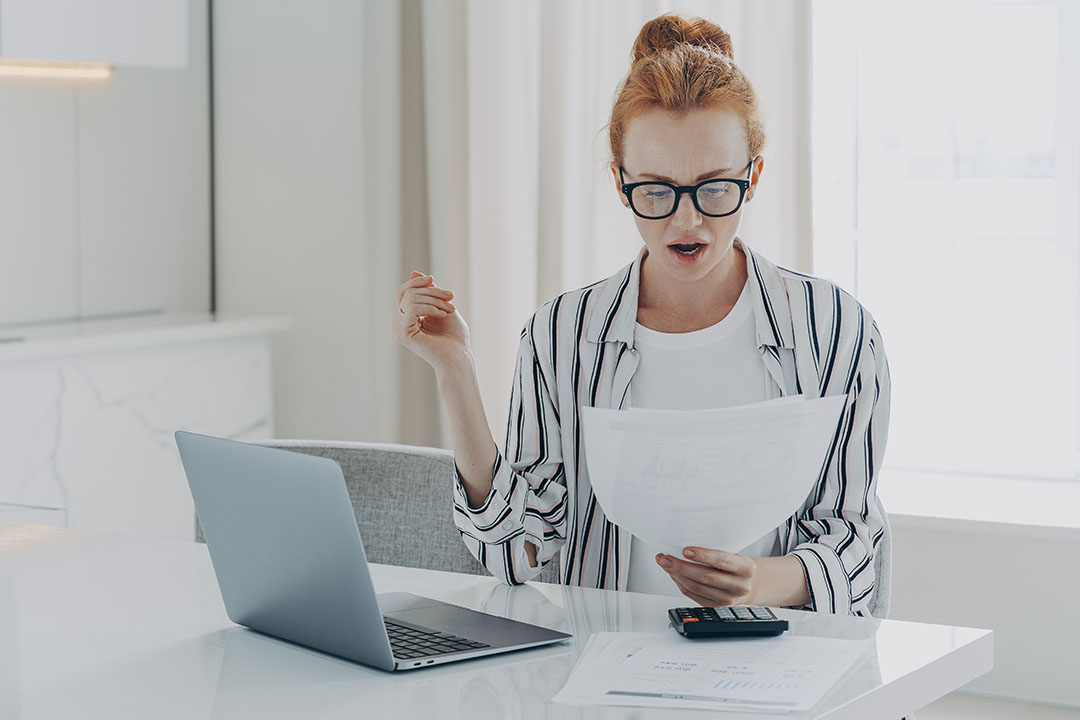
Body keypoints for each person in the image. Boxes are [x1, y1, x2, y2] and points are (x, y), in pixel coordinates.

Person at [392, 13, 890, 616]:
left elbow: (855, 543)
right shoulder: (562, 334)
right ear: (619, 183)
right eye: (655, 190)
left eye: (714, 187)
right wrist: (456, 373)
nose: (686, 221)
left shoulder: (835, 329)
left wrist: (758, 582)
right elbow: (517, 554)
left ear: (753, 175)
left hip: (770, 675)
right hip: (602, 674)